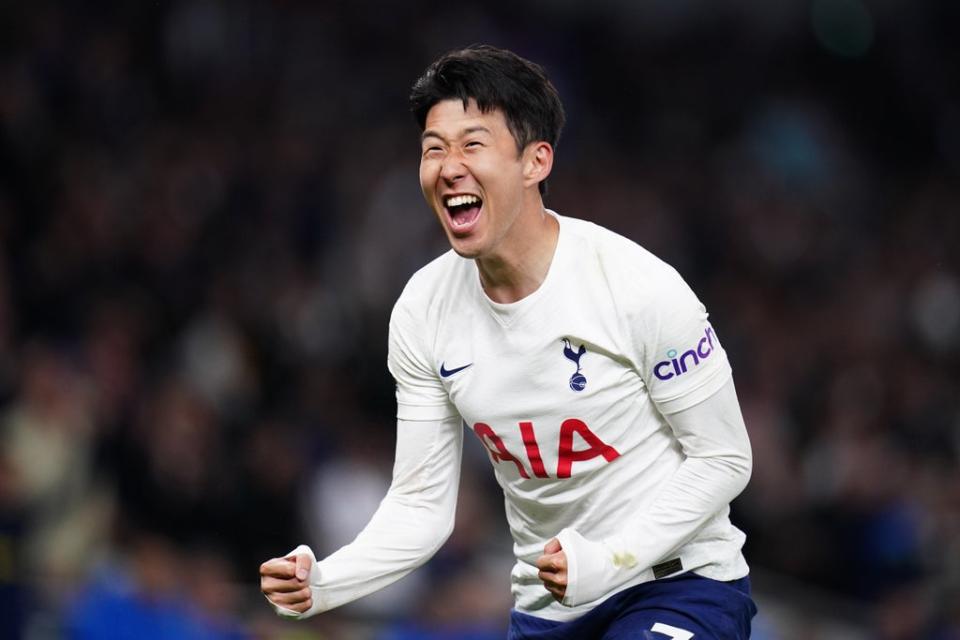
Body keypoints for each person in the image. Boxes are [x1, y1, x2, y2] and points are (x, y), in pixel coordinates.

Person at [260, 44, 757, 639]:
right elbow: (422, 507)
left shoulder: (638, 288)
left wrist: (612, 559)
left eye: (473, 144)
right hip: (549, 608)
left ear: (535, 161)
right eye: (433, 149)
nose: (448, 167)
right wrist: (326, 583)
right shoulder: (423, 311)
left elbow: (724, 458)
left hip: (681, 586)